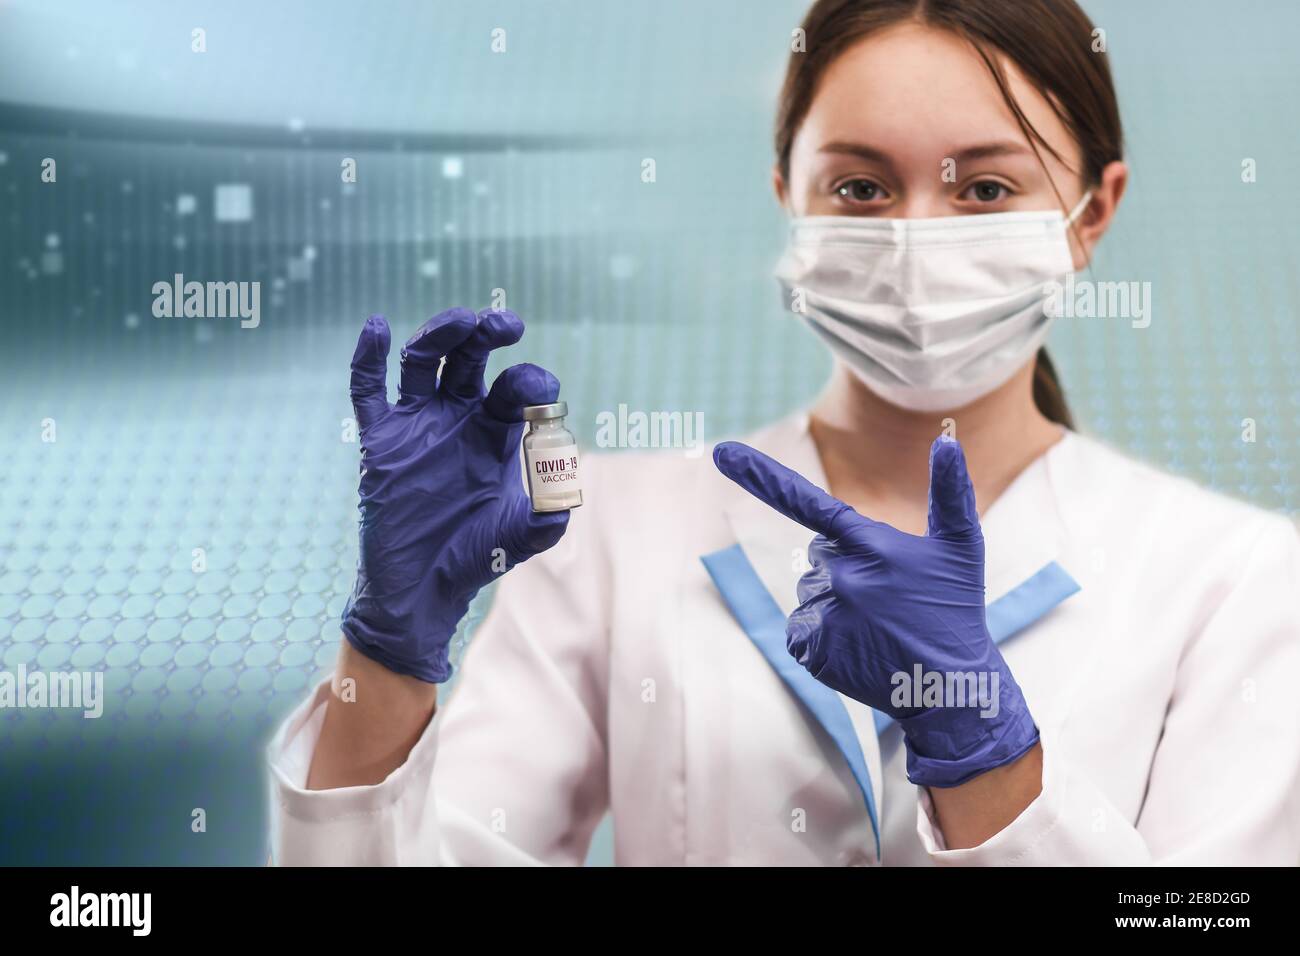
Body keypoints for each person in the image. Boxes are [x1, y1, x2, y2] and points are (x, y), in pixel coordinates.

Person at [267, 0, 1300, 865]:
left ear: (1091, 212)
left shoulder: (1240, 581)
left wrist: (984, 751)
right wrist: (387, 657)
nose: (909, 241)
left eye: (984, 188)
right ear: (786, 199)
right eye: (859, 186)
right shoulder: (616, 532)